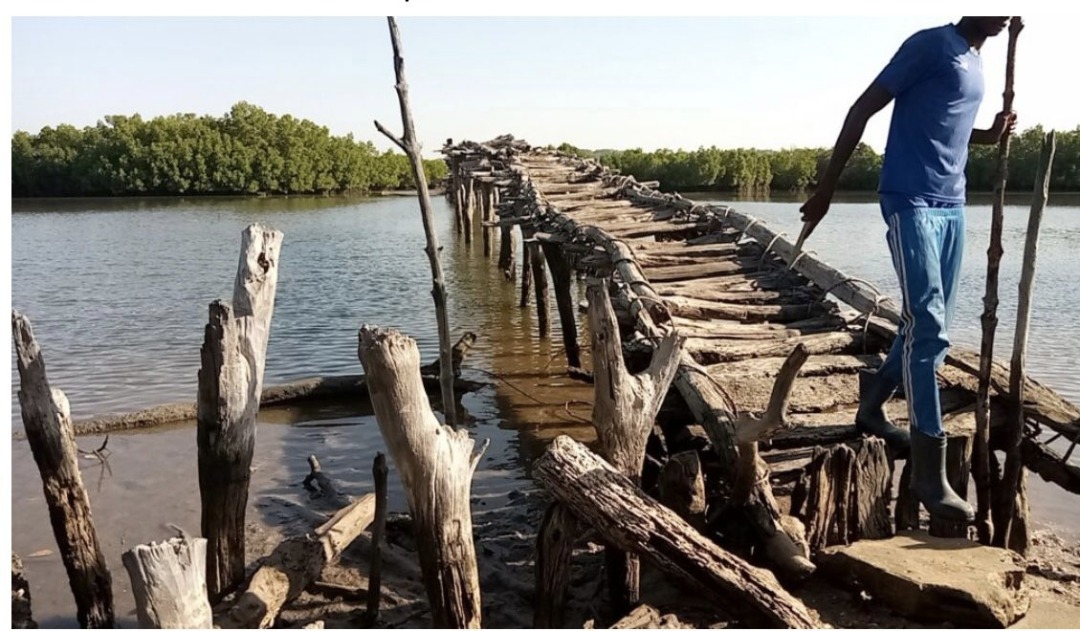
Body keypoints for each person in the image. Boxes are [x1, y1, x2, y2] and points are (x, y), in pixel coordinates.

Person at [798, 17, 1019, 522]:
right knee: (930, 326)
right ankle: (928, 472)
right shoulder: (929, 45)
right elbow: (861, 109)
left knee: (923, 321)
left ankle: (872, 405)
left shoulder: (975, 57)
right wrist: (828, 188)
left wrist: (989, 133)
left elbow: (949, 128)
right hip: (909, 197)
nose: (1005, 13)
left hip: (952, 203)